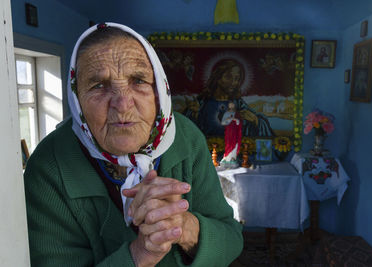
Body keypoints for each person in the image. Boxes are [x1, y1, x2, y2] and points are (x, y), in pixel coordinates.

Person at [24, 23, 243, 267]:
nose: (123, 104)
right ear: (77, 101)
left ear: (159, 90)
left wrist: (183, 226)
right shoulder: (49, 166)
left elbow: (231, 238)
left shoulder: (186, 137)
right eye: (99, 86)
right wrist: (140, 255)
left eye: (138, 80)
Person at [185, 59, 275, 137]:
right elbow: (186, 132)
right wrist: (194, 115)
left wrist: (255, 120)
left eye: (236, 78)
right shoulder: (202, 103)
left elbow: (258, 124)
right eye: (228, 77)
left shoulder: (239, 104)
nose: (233, 82)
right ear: (218, 78)